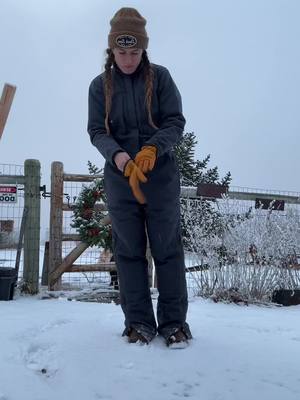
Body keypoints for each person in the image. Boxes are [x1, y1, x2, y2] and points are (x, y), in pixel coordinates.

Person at [88, 7, 192, 347]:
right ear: (111, 51)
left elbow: (175, 121)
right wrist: (119, 156)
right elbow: (95, 131)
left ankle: (174, 324)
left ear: (144, 50)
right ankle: (138, 324)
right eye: (122, 52)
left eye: (135, 52)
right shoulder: (99, 87)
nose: (129, 59)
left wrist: (151, 150)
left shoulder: (160, 78)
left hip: (159, 179)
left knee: (168, 251)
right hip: (121, 182)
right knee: (129, 252)